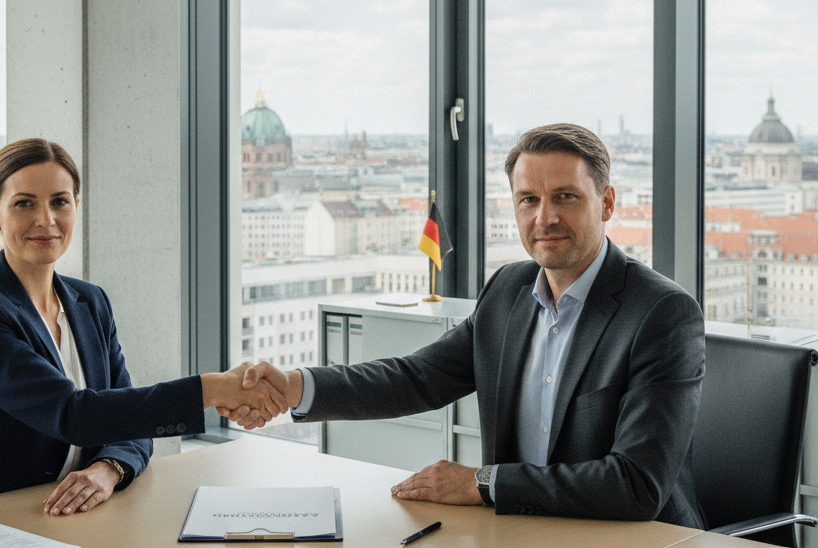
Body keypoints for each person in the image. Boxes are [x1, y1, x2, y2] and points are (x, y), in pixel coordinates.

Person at [227, 123, 706, 527]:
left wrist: (483, 483)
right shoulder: (508, 290)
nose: (546, 217)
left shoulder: (661, 314)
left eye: (565, 197)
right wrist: (293, 387)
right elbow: (416, 378)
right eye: (528, 200)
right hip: (522, 539)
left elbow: (637, 485)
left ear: (606, 203)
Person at [0, 138, 287, 515]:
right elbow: (73, 414)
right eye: (24, 203)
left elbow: (129, 420)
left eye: (59, 202)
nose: (46, 219)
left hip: (71, 517)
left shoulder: (90, 302)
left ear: (76, 207)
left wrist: (108, 469)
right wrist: (214, 388)